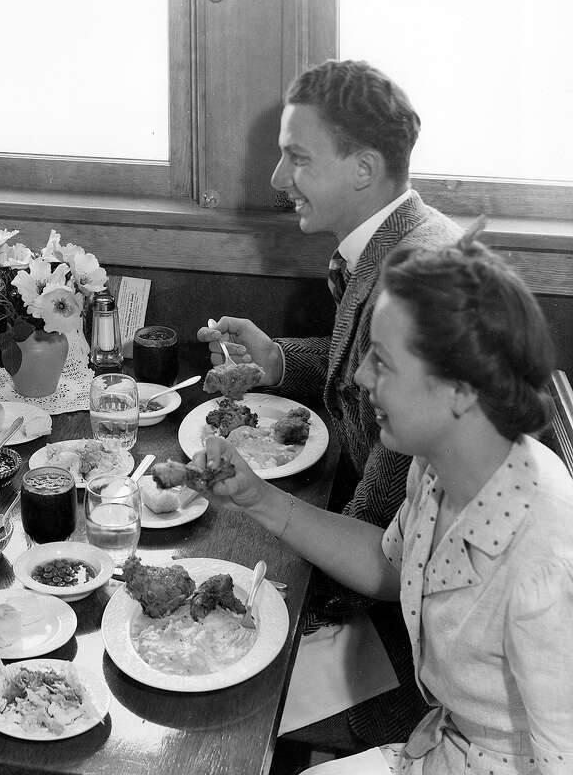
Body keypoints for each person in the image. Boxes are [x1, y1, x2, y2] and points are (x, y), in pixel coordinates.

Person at [198, 240, 573, 774]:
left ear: (460, 389)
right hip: (441, 739)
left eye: (384, 362)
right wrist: (258, 497)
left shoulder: (547, 564)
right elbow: (390, 565)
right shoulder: (439, 463)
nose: (360, 378)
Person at [197, 59, 463, 744]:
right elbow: (356, 369)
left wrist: (259, 507)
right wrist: (276, 362)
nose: (278, 180)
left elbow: (379, 550)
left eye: (296, 158)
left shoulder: (415, 280)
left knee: (216, 700)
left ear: (363, 168)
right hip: (385, 568)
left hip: (416, 646)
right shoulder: (399, 238)